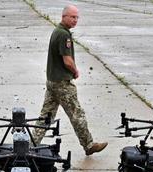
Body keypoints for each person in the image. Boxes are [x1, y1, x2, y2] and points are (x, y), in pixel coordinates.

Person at [32, 4, 107, 156]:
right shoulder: (64, 35)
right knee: (77, 114)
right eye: (72, 17)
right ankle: (89, 144)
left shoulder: (57, 31)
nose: (75, 20)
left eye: (77, 17)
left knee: (46, 116)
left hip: (53, 81)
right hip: (62, 83)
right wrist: (75, 71)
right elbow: (67, 61)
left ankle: (31, 144)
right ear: (64, 16)